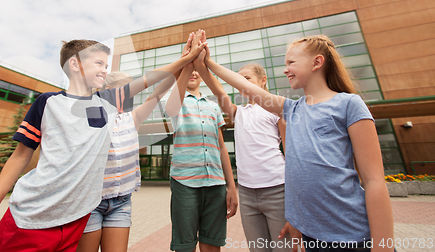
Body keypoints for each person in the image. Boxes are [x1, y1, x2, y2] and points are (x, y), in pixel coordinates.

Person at [0, 36, 205, 252]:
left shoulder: (106, 104)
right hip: (30, 216)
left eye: (106, 65)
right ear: (75, 65)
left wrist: (185, 60)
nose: (105, 69)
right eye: (99, 63)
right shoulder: (47, 102)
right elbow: (19, 157)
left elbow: (150, 84)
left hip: (76, 217)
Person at [203, 35, 394, 252]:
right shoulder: (291, 109)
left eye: (291, 63)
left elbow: (374, 182)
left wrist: (383, 247)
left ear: (317, 62)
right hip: (312, 237)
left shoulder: (349, 104)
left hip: (352, 237)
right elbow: (242, 85)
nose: (285, 70)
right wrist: (207, 62)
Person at [193, 50, 297, 252]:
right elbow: (219, 92)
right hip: (248, 194)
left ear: (263, 80)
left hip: (278, 189)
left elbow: (292, 154)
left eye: (247, 78)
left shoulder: (276, 108)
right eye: (238, 80)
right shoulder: (238, 112)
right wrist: (201, 63)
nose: (241, 83)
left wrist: (295, 203)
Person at [76, 69, 177, 252]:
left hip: (121, 202)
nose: (131, 93)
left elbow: (158, 93)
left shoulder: (132, 118)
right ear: (108, 89)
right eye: (127, 89)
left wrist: (181, 66)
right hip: (90, 202)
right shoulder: (91, 115)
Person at [165, 30, 238, 252]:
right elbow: (171, 107)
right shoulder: (176, 100)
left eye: (198, 69)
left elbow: (221, 147)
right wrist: (188, 59)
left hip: (216, 185)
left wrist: (231, 186)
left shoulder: (213, 106)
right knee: (185, 246)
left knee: (212, 243)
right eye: (190, 70)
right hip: (185, 183)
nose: (194, 72)